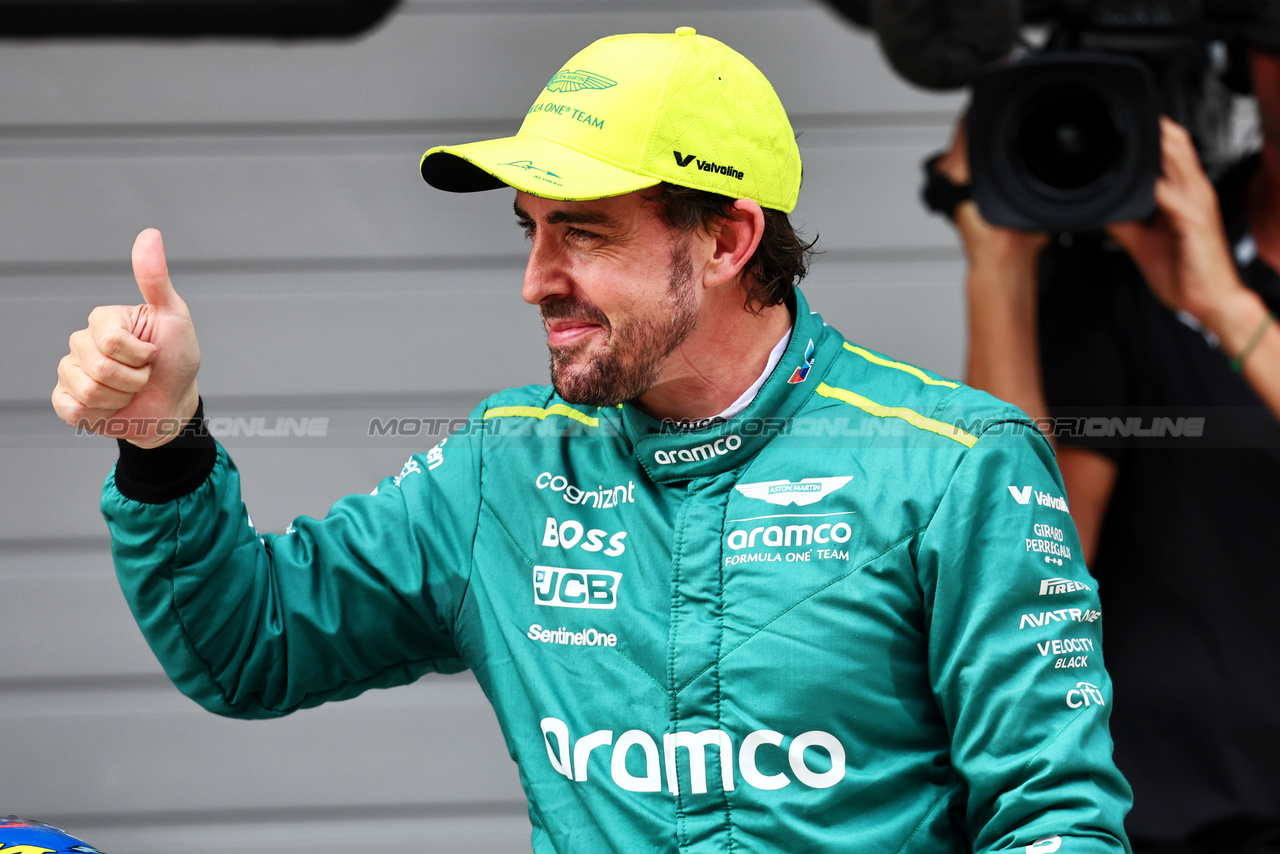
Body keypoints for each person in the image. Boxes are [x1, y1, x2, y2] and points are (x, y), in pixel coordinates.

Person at [51, 28, 1133, 852]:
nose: (534, 280)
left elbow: (1053, 819)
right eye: (529, 229)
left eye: (581, 230)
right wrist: (162, 438)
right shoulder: (501, 467)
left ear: (724, 237)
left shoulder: (952, 464)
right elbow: (252, 646)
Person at [933, 44, 1280, 853]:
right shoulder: (1139, 251)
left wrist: (1223, 310)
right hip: (1138, 816)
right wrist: (1000, 268)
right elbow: (1028, 556)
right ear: (1250, 59)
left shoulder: (1198, 278)